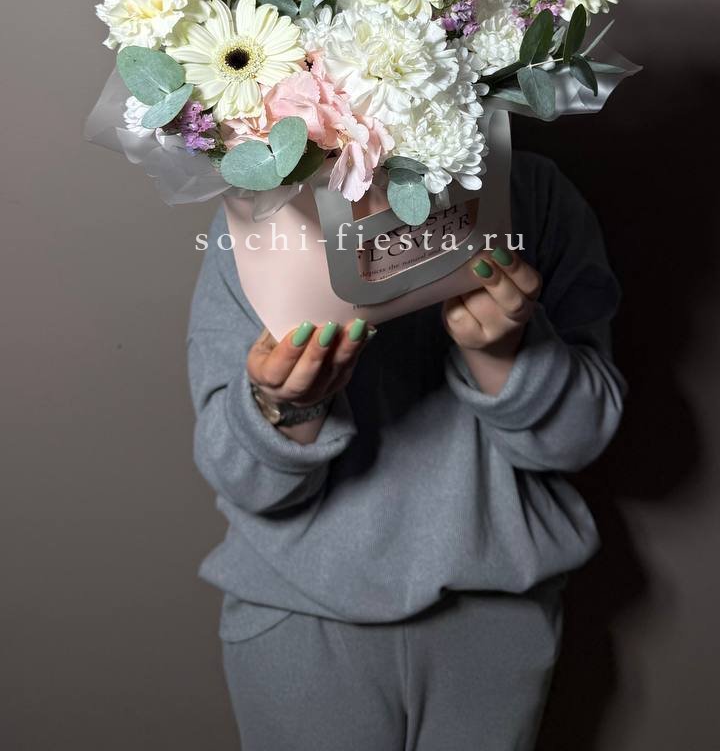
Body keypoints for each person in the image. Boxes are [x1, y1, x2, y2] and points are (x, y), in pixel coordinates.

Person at [187, 147, 626, 751]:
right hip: (300, 615)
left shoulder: (531, 192)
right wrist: (287, 403)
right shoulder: (265, 209)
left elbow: (578, 440)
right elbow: (243, 481)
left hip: (494, 620)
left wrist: (505, 352)